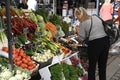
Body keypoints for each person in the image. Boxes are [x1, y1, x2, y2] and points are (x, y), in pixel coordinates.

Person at [75, 7, 110, 80]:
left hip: (95, 44)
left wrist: (78, 32)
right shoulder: (95, 17)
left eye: (77, 16)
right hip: (105, 41)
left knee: (92, 67)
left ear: (79, 15)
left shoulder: (83, 23)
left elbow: (81, 38)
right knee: (102, 66)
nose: (77, 18)